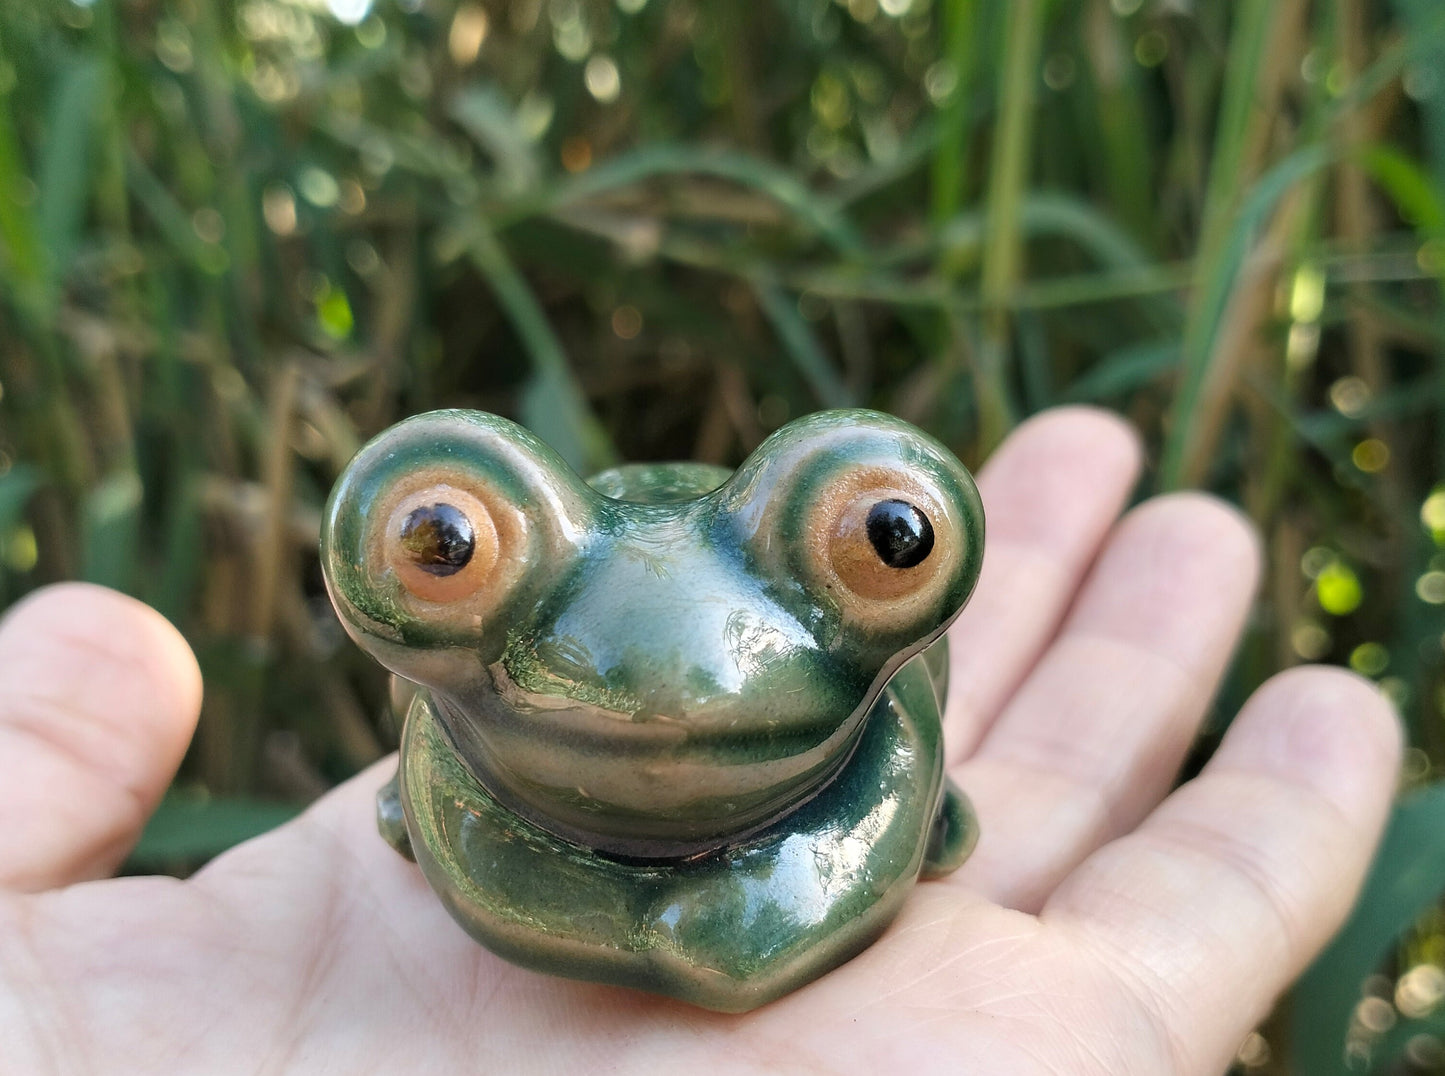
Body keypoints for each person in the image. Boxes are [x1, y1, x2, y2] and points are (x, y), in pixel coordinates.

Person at [0, 408, 1399, 1074]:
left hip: (832, 718)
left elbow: (890, 773)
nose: (665, 696)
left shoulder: (868, 687)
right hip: (490, 726)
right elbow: (460, 809)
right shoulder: (459, 717)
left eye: (888, 543)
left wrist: (800, 888)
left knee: (907, 765)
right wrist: (620, 916)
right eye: (440, 547)